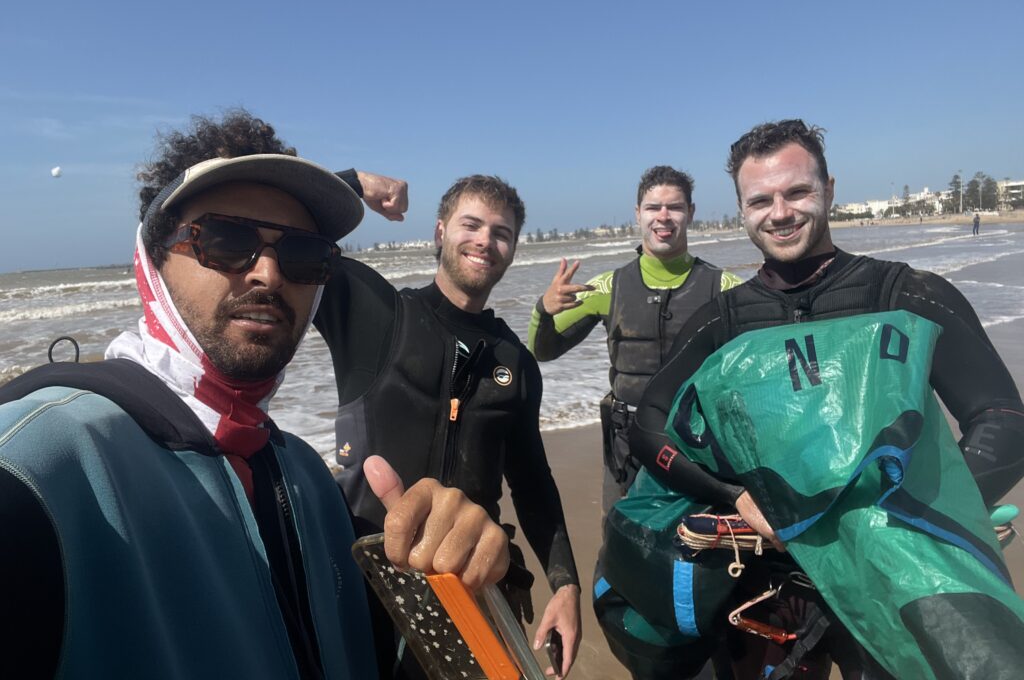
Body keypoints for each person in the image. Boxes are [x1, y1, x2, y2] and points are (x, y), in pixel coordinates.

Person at [0, 111, 510, 679]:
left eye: (302, 254)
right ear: (153, 256)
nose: (269, 272)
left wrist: (454, 583)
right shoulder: (45, 459)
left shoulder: (306, 482)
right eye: (226, 240)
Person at [620, 119, 1024, 678]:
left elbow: (1003, 419)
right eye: (760, 200)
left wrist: (944, 512)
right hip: (769, 587)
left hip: (891, 577)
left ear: (829, 189)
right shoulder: (725, 321)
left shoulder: (904, 294)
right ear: (742, 209)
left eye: (798, 192)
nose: (780, 212)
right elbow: (649, 425)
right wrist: (733, 497)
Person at [315, 175, 582, 678]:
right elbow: (287, 233)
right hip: (362, 578)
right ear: (440, 231)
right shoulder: (374, 315)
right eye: (472, 224)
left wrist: (565, 586)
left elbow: (533, 485)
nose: (486, 240)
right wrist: (353, 186)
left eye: (501, 232)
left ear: (512, 250)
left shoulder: (516, 362)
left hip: (470, 584)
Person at [528, 166, 742, 512]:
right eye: (653, 207)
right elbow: (542, 349)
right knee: (618, 547)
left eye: (674, 207)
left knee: (699, 551)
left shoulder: (725, 287)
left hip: (698, 445)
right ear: (638, 214)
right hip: (626, 448)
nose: (663, 217)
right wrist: (543, 309)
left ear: (691, 213)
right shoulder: (607, 287)